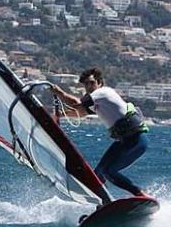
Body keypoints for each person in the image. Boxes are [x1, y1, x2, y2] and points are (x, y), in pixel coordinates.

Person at [52, 68, 149, 200]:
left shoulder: (102, 93)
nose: (88, 87)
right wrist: (60, 115)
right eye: (85, 84)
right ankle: (105, 203)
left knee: (109, 171)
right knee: (97, 176)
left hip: (136, 140)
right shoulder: (97, 101)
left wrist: (59, 93)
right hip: (123, 141)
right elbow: (82, 113)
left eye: (91, 83)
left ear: (99, 83)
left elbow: (77, 104)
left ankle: (140, 194)